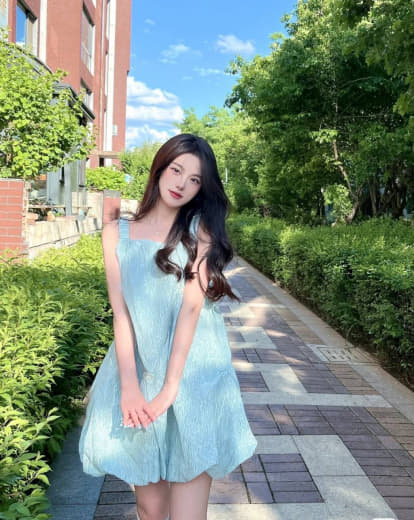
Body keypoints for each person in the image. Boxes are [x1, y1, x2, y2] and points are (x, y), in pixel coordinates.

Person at [78, 133, 257, 520]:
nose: (181, 184)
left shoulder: (200, 232)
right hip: (140, 373)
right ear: (159, 168)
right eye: (176, 170)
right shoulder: (116, 233)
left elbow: (191, 308)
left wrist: (171, 388)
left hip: (194, 376)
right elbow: (121, 313)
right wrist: (130, 387)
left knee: (188, 513)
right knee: (151, 507)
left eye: (194, 179)